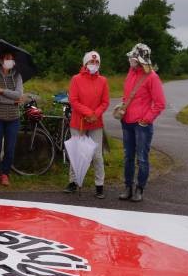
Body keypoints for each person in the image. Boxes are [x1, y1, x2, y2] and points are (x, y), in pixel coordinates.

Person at [119, 43, 165, 202]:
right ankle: (128, 186)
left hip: (142, 125)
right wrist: (122, 107)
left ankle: (140, 188)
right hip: (126, 121)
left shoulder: (152, 76)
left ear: (139, 60)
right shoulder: (130, 73)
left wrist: (146, 119)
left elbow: (160, 103)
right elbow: (128, 96)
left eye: (132, 57)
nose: (129, 59)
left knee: (142, 158)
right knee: (128, 157)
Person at [64, 51, 109, 198]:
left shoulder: (103, 81)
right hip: (79, 122)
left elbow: (105, 102)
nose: (94, 65)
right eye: (91, 62)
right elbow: (74, 100)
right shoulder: (76, 79)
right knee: (76, 153)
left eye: (96, 63)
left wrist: (95, 114)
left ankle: (99, 185)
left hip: (96, 123)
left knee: (97, 155)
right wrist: (88, 113)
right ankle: (73, 182)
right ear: (85, 63)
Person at [0, 51, 23, 186]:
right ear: (1, 60)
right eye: (8, 58)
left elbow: (19, 94)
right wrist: (13, 99)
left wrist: (1, 91)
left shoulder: (18, 75)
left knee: (10, 148)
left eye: (12, 59)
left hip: (13, 118)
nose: (10, 61)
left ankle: (5, 173)